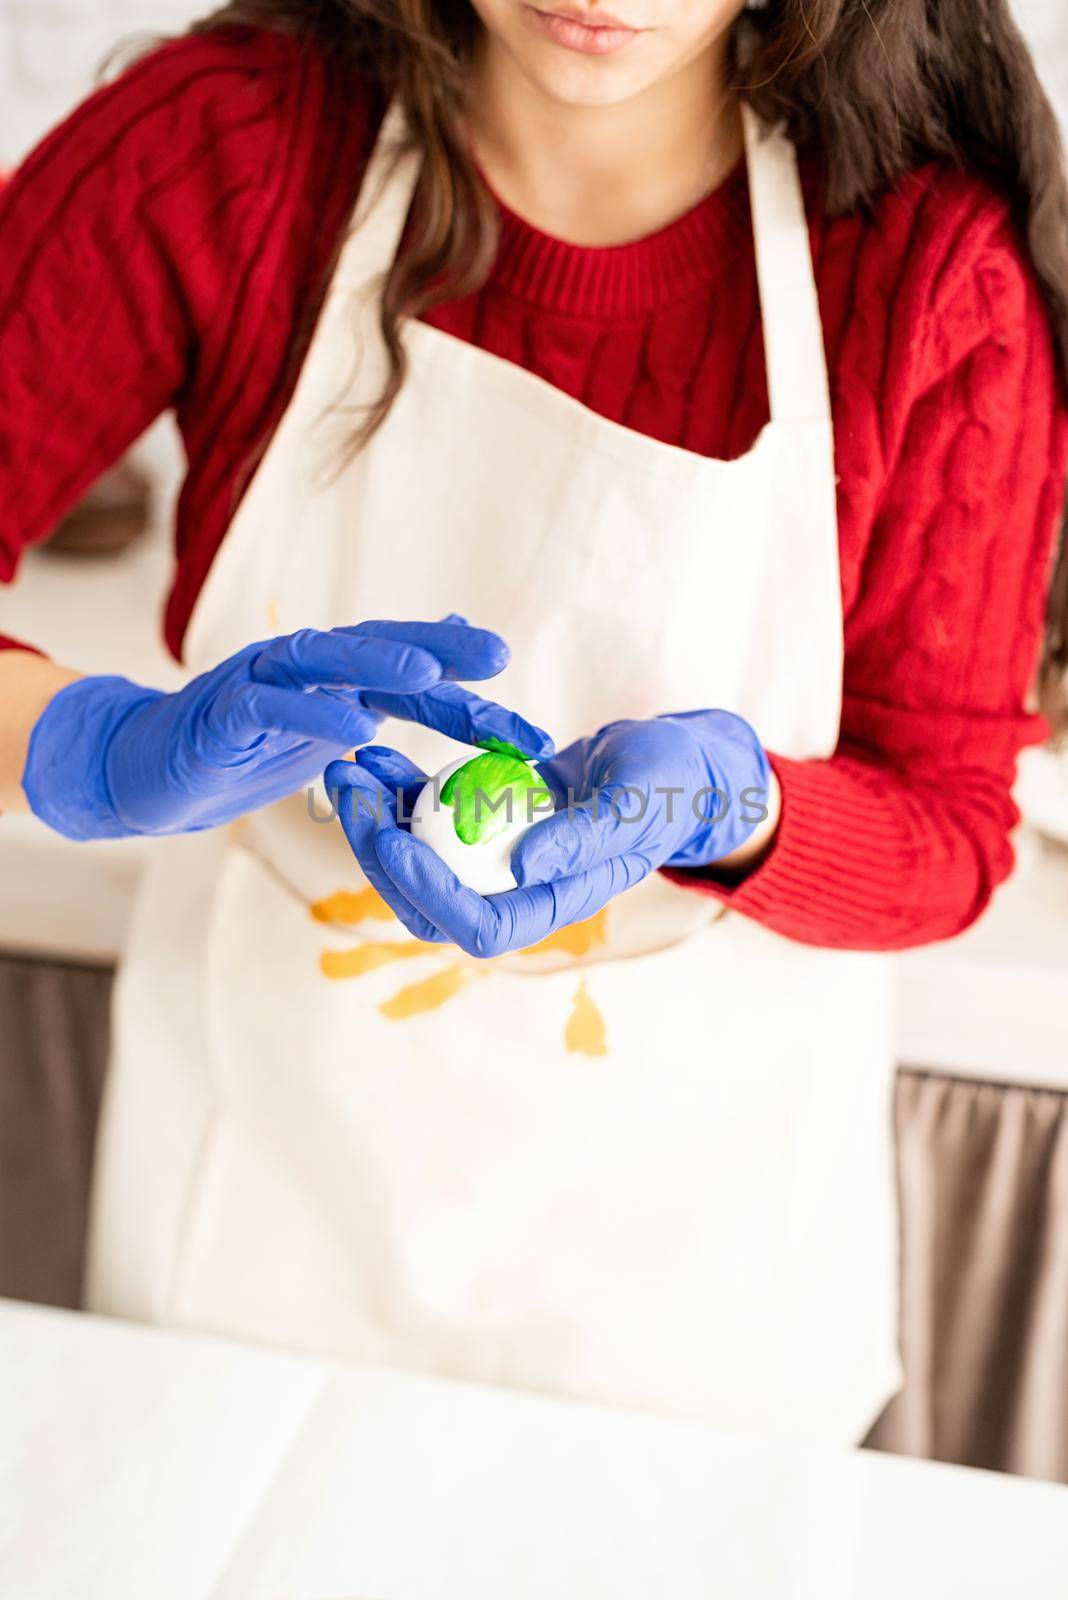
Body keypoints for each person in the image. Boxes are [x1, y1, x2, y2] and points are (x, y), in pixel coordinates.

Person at [1, 0, 1066, 1444]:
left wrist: (742, 809)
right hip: (244, 1252)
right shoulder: (233, 147)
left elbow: (949, 822)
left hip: (697, 1319)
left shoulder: (923, 269)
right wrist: (92, 751)